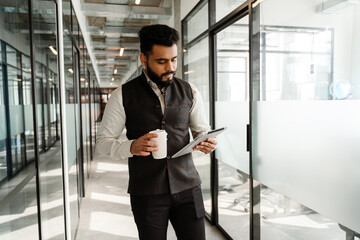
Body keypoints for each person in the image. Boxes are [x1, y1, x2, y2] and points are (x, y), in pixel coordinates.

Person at [96, 24, 217, 240]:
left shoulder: (190, 91)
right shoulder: (122, 95)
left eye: (174, 59)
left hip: (188, 187)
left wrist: (208, 142)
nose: (170, 67)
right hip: (147, 193)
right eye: (161, 61)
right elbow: (103, 142)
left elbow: (203, 131)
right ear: (144, 59)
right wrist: (130, 146)